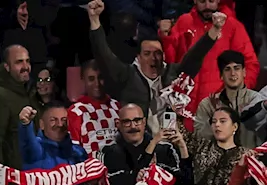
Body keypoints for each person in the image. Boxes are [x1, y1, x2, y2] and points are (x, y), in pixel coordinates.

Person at [87, 0, 214, 130]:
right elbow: (103, 54)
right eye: (147, 53)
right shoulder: (127, 75)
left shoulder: (172, 73)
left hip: (171, 140)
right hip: (138, 141)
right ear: (138, 57)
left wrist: (213, 32)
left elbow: (195, 56)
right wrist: (95, 19)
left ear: (163, 56)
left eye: (157, 53)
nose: (153, 58)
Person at [164, 0, 258, 112]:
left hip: (218, 109)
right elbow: (171, 62)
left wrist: (237, 95)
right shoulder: (184, 22)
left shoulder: (233, 26)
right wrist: (165, 37)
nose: (207, 6)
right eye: (202, 1)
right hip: (184, 106)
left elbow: (250, 64)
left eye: (211, 1)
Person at [194, 51, 264, 148]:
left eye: (237, 68)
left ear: (244, 72)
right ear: (221, 75)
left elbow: (261, 128)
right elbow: (199, 137)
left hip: (249, 157)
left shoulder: (256, 99)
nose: (232, 73)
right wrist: (215, 117)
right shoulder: (208, 104)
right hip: (217, 160)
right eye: (227, 69)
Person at [0, 45, 35, 171]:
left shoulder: (29, 93)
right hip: (11, 178)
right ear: (6, 67)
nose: (25, 67)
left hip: (30, 175)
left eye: (27, 61)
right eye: (19, 62)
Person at [68, 60, 123, 155]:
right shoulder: (76, 111)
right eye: (91, 79)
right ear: (83, 80)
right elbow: (74, 149)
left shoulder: (116, 106)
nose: (97, 83)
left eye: (100, 77)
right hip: (92, 167)